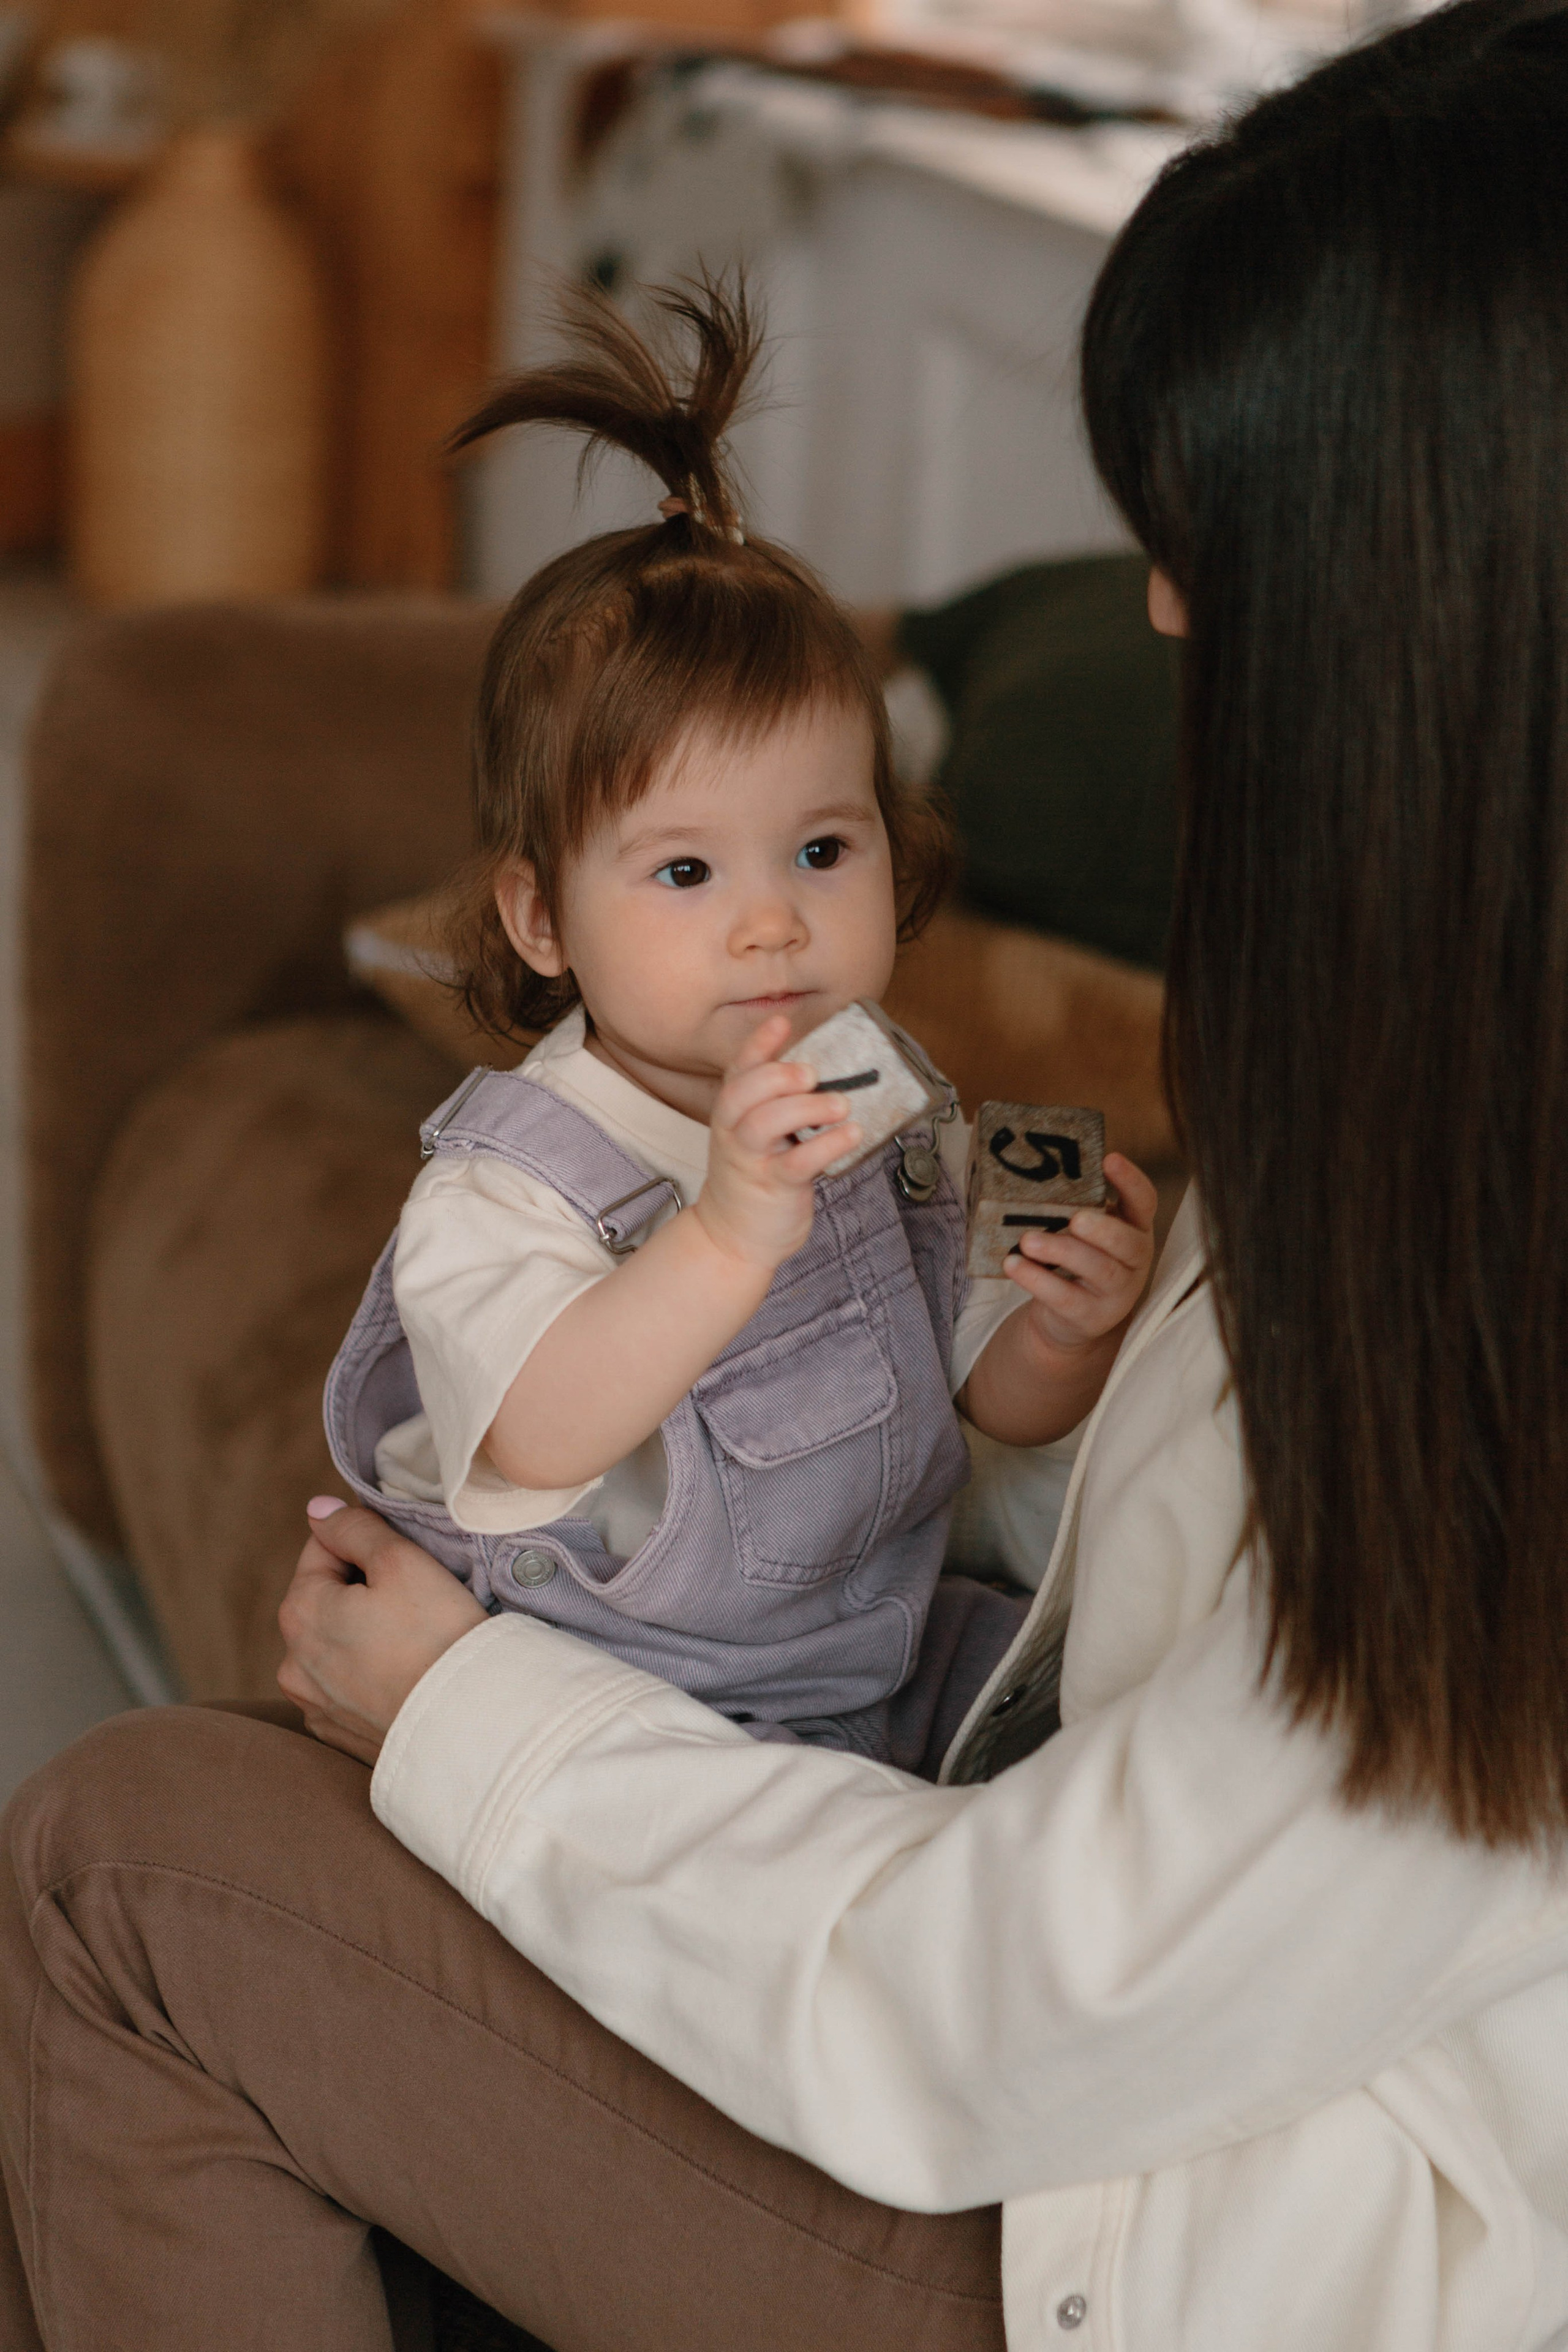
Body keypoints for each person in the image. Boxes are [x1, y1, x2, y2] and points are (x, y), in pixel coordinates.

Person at [6, 4, 1568, 2347]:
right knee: (218, 1822)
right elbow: (1080, 1543)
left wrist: (473, 1723)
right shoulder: (1435, 1077)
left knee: (125, 1868)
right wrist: (1060, 1368)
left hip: (1162, 2211)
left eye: (1212, 547)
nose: (1157, 611)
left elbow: (1014, 2002)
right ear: (530, 919)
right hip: (1051, 1964)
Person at [324, 278, 1155, 1771]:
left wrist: (1062, 1331)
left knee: (1096, 1711)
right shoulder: (515, 1179)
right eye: (687, 870)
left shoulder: (884, 1088)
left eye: (822, 851)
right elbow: (535, 1434)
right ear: (538, 920)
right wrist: (723, 1231)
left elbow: (972, 1378)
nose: (770, 921)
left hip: (865, 1645)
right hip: (614, 1691)